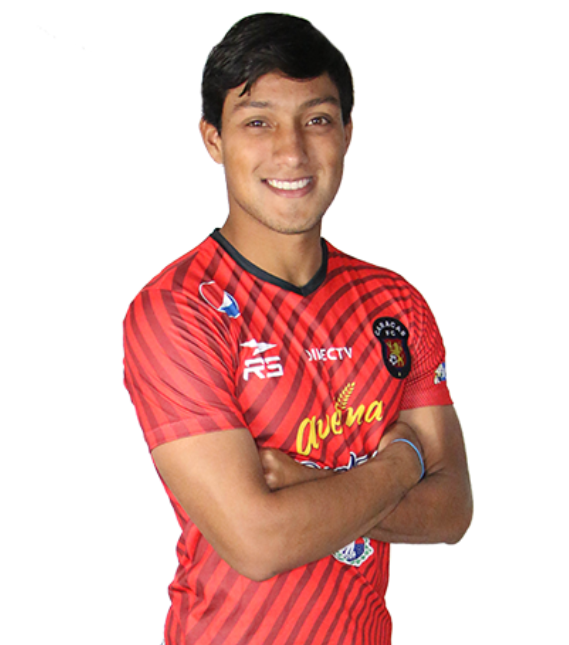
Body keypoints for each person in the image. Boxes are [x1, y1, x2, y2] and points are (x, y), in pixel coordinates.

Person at [123, 12, 473, 645]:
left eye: (317, 120)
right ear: (213, 139)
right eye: (258, 122)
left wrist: (317, 487)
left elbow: (452, 511)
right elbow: (258, 541)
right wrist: (403, 462)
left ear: (346, 134)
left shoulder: (396, 305)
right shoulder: (178, 309)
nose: (291, 152)